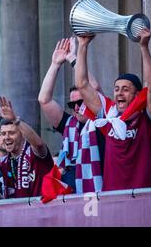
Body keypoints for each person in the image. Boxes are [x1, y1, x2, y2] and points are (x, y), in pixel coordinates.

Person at [75, 29, 151, 191]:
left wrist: (144, 47)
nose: (119, 93)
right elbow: (82, 84)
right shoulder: (108, 117)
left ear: (136, 95)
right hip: (113, 200)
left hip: (144, 199)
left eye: (125, 89)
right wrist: (82, 45)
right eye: (116, 89)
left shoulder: (147, 118)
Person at [38, 38, 104, 193]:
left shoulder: (102, 120)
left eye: (81, 102)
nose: (76, 107)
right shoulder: (69, 123)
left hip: (98, 193)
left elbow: (93, 87)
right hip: (71, 195)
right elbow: (44, 100)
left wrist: (73, 58)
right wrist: (55, 64)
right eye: (71, 105)